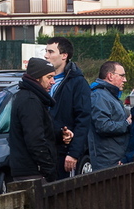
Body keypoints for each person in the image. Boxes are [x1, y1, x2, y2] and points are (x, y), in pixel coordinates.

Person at [8, 58, 74, 182]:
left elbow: (40, 133)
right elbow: (35, 140)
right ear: (37, 77)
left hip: (34, 172)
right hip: (33, 174)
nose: (53, 82)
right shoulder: (30, 101)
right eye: (49, 77)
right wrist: (48, 169)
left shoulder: (33, 98)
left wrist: (60, 136)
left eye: (53, 77)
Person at [44, 36, 91, 179]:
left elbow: (83, 119)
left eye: (51, 52)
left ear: (64, 56)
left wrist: (73, 153)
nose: (46, 56)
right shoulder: (42, 81)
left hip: (64, 152)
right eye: (45, 51)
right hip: (44, 151)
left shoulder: (77, 82)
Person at [88, 61, 131, 171]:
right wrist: (127, 123)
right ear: (110, 76)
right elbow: (103, 126)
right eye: (122, 76)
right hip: (107, 161)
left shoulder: (109, 94)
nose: (125, 80)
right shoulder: (99, 96)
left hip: (114, 157)